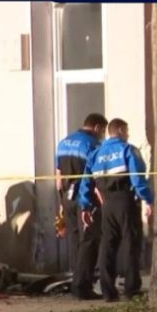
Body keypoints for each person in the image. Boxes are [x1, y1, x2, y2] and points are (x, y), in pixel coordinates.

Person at [79, 118, 153, 301]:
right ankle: (130, 289)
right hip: (125, 200)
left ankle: (107, 291)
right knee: (130, 242)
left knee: (108, 245)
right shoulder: (127, 149)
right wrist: (148, 200)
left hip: (106, 204)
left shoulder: (95, 153)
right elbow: (137, 179)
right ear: (119, 130)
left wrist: (85, 206)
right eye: (126, 131)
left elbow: (85, 182)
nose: (127, 135)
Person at [55, 112, 107, 298]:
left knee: (75, 239)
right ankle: (83, 286)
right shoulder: (92, 144)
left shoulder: (63, 142)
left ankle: (76, 281)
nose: (103, 136)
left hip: (67, 196)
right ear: (97, 127)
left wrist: (61, 202)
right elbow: (94, 174)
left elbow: (58, 176)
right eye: (103, 132)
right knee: (90, 239)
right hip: (85, 196)